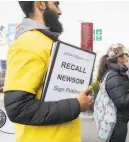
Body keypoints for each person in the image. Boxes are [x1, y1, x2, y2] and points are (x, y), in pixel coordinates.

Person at [3, 1, 92, 142]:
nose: (60, 11)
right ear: (41, 4)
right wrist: (76, 104)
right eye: (56, 4)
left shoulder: (46, 42)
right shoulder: (28, 43)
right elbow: (18, 108)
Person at [96, 43, 129, 142]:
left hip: (119, 121)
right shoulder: (114, 75)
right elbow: (122, 102)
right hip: (116, 124)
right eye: (126, 54)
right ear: (119, 58)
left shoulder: (119, 72)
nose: (128, 57)